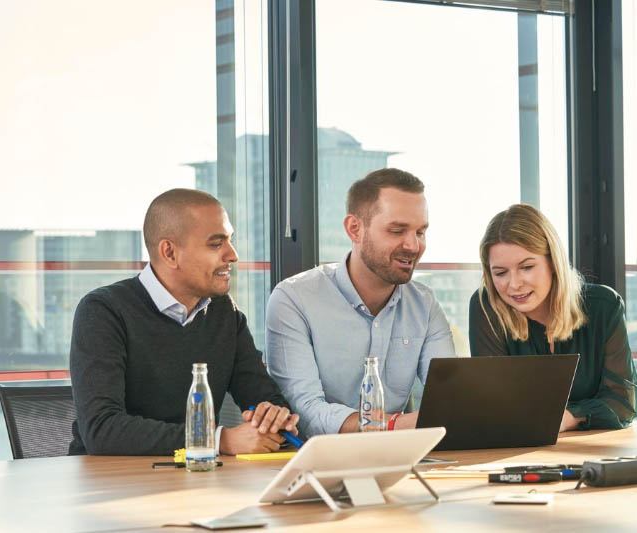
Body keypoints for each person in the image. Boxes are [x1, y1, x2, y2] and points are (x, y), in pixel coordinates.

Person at [69, 188, 299, 456]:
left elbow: (265, 398)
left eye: (230, 241)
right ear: (169, 253)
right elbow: (102, 429)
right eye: (216, 244)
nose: (233, 255)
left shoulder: (224, 313)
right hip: (111, 485)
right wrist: (217, 441)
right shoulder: (103, 311)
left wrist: (273, 418)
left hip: (197, 476)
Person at [265, 168, 456, 437]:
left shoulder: (424, 304)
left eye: (420, 232)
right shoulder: (294, 299)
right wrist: (393, 425)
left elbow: (450, 398)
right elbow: (304, 411)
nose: (413, 246)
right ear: (355, 229)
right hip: (317, 462)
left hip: (397, 458)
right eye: (397, 230)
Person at [468, 203, 637, 431]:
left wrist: (570, 417)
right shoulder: (486, 307)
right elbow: (493, 405)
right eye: (500, 272)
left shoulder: (604, 306)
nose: (514, 284)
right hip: (517, 451)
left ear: (552, 262)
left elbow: (624, 403)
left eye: (527, 267)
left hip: (594, 447)